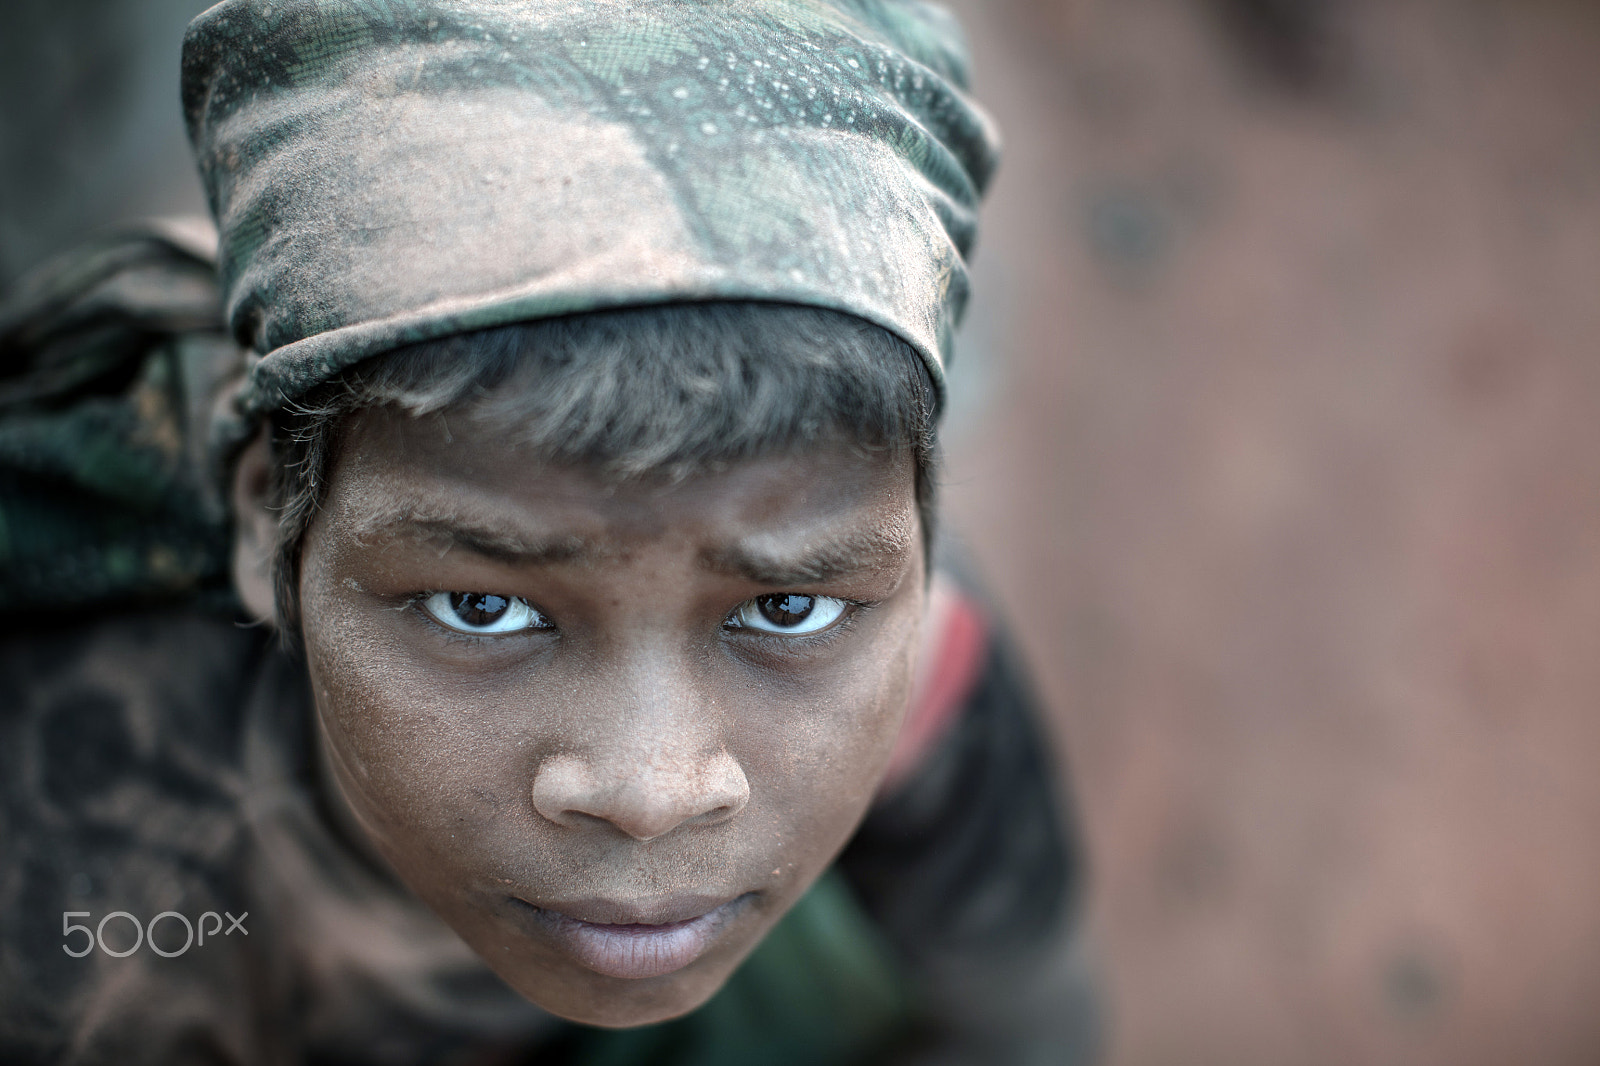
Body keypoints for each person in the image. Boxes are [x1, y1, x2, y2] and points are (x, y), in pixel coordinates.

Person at [0, 1, 1095, 1062]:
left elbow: (1015, 1019)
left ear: (915, 536)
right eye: (483, 606)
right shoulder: (73, 838)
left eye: (783, 608)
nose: (648, 791)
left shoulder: (921, 678)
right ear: (264, 522)